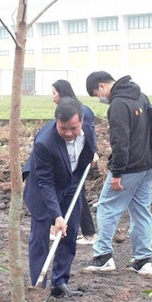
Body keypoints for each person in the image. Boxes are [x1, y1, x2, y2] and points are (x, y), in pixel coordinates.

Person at [82, 71, 152, 275]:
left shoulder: (118, 105)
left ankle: (103, 256)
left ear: (102, 86)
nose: (99, 98)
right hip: (148, 164)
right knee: (141, 211)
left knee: (107, 207)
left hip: (128, 168)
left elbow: (120, 143)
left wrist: (116, 173)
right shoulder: (141, 96)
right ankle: (143, 261)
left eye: (97, 93)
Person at [23, 98, 96, 297]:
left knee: (70, 233)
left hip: (71, 181)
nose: (68, 133)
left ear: (81, 121)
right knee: (40, 237)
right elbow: (45, 183)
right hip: (42, 187)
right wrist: (56, 216)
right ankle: (39, 287)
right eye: (63, 128)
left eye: (73, 128)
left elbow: (90, 143)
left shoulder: (88, 119)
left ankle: (60, 283)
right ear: (56, 122)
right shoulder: (44, 143)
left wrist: (92, 154)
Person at [51, 79, 97, 245]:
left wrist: (92, 153)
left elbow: (89, 134)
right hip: (72, 162)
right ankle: (83, 232)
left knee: (76, 195)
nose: (53, 97)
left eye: (54, 93)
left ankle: (88, 233)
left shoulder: (80, 111)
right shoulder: (69, 111)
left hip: (76, 163)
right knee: (76, 195)